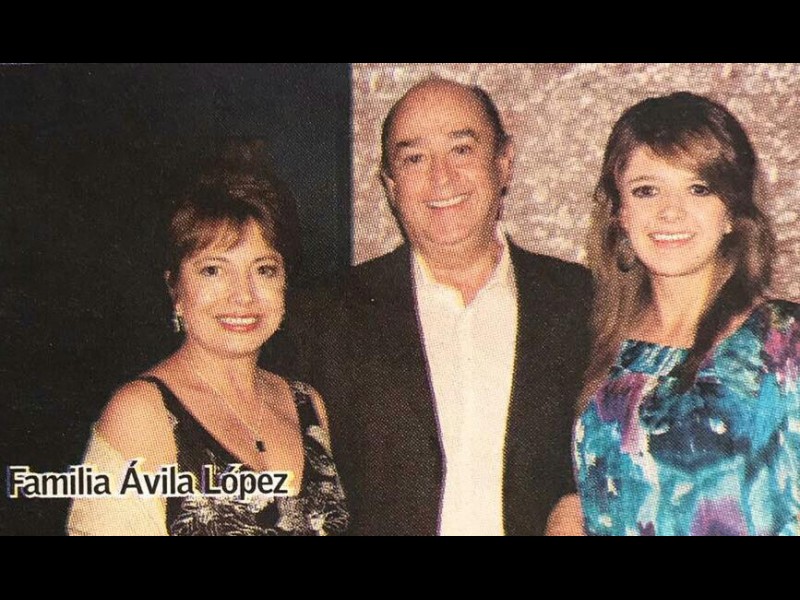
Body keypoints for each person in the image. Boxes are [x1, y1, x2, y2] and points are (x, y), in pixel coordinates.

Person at [283, 78, 592, 535]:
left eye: (461, 150)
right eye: (414, 159)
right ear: (390, 185)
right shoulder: (325, 315)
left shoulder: (580, 302)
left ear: (504, 162)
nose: (441, 177)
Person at [548, 91, 800, 536]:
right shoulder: (595, 343)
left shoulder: (785, 346)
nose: (669, 212)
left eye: (698, 188)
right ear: (620, 214)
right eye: (646, 190)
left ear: (732, 212)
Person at [67, 144, 349, 535]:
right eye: (213, 270)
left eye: (264, 270)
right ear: (176, 289)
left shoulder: (308, 406)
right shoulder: (141, 414)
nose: (243, 295)